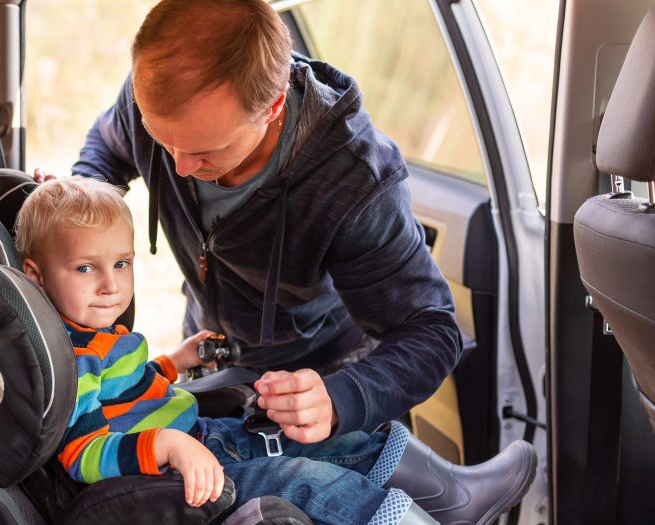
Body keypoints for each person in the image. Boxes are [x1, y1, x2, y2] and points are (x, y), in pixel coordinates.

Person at [15, 176, 578, 525]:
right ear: (36, 277)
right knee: (315, 483)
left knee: (334, 435)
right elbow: (82, 448)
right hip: (179, 489)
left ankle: (455, 498)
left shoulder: (99, 334)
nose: (111, 284)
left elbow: (128, 391)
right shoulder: (68, 357)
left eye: (122, 263)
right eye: (85, 268)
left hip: (203, 443)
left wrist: (173, 363)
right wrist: (165, 445)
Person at [56, 0, 464, 444]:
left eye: (204, 150)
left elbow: (432, 331)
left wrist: (341, 398)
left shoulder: (355, 178)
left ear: (272, 107)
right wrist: (80, 206)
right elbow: (109, 144)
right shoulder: (158, 98)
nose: (180, 168)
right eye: (162, 140)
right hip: (206, 349)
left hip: (312, 378)